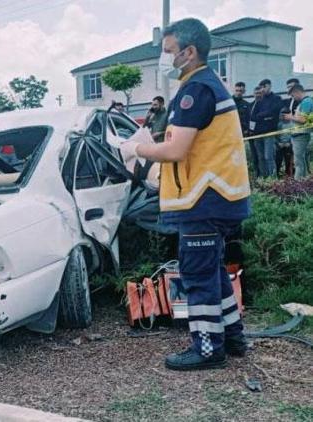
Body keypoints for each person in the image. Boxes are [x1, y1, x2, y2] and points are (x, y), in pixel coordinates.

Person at [120, 18, 249, 371]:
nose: (165, 59)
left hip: (204, 199)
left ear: (189, 52)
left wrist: (137, 149)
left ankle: (208, 348)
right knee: (213, 272)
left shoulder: (196, 90)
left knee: (197, 275)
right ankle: (232, 337)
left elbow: (176, 150)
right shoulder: (202, 86)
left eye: (168, 52)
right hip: (214, 197)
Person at [249, 79, 282, 177]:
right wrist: (264, 116)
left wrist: (262, 115)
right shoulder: (260, 100)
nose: (262, 90)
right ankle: (264, 179)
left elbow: (273, 112)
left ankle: (273, 178)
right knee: (261, 157)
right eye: (261, 87)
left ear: (269, 86)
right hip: (257, 133)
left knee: (269, 156)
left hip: (269, 132)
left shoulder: (276, 98)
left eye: (264, 87)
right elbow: (254, 116)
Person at [282, 84, 312, 179]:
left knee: (298, 161)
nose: (293, 98)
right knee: (301, 159)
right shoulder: (305, 102)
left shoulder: (306, 102)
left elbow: (303, 120)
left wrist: (290, 117)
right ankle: (304, 181)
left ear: (297, 92)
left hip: (301, 135)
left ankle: (298, 182)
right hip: (298, 135)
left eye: (293, 96)